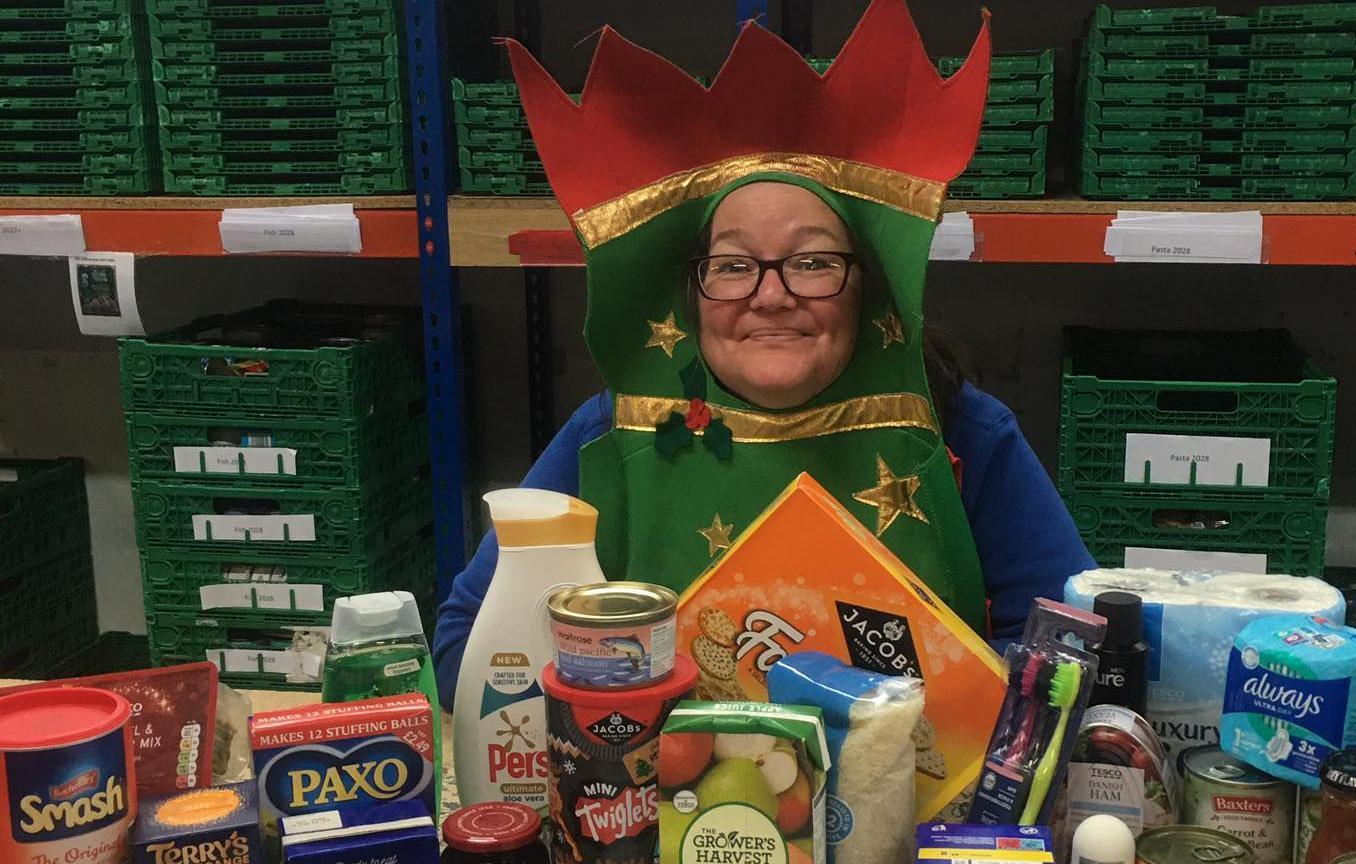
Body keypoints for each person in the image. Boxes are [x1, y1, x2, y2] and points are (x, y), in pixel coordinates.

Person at [434, 0, 1094, 707]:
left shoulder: (963, 432)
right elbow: (463, 648)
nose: (771, 297)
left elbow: (1074, 650)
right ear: (691, 296)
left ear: (868, 289)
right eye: (733, 265)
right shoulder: (613, 431)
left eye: (813, 263)